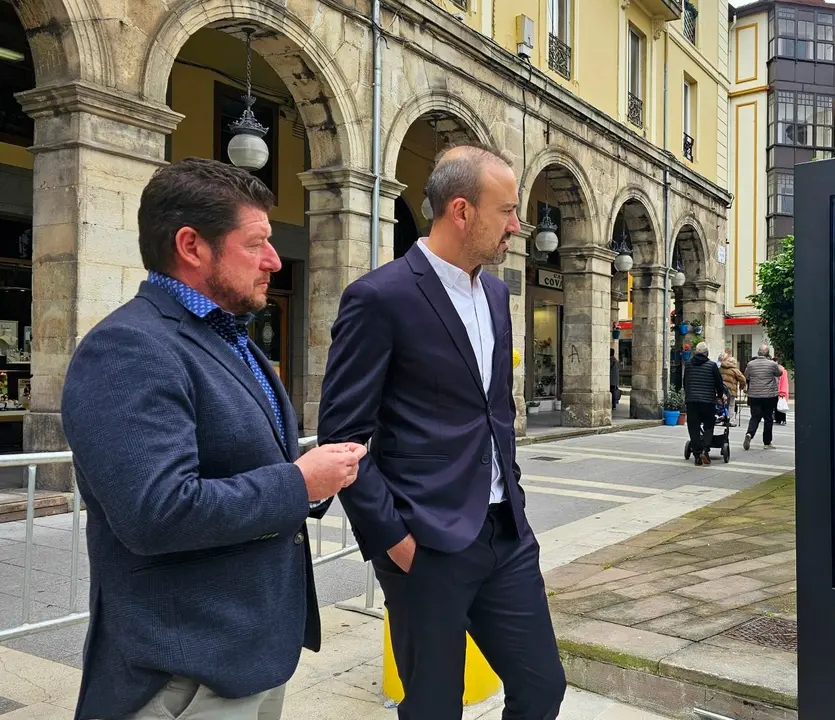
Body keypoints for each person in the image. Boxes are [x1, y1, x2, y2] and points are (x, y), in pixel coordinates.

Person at [60, 157, 366, 720]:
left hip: (247, 653)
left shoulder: (232, 339)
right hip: (180, 674)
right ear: (192, 246)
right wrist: (299, 481)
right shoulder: (130, 348)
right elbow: (158, 511)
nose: (275, 260)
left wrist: (313, 478)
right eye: (257, 243)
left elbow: (236, 463)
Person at [317, 143, 566, 720]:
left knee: (542, 688)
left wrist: (514, 499)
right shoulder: (380, 298)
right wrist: (393, 540)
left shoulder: (500, 296)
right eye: (506, 211)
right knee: (432, 708)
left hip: (506, 537)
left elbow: (493, 411)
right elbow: (341, 435)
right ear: (461, 211)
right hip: (424, 545)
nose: (517, 226)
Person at [683, 342, 729, 465]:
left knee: (693, 428)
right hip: (707, 402)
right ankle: (705, 450)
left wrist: (688, 396)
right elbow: (719, 385)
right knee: (708, 426)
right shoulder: (712, 366)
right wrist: (720, 396)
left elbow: (685, 383)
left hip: (692, 401)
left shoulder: (688, 365)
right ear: (706, 353)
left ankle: (697, 455)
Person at [743, 344, 784, 450]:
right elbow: (779, 373)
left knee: (755, 417)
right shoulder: (772, 364)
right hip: (769, 396)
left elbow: (746, 376)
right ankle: (767, 442)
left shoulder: (750, 364)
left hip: (754, 395)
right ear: (767, 353)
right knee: (768, 418)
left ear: (758, 353)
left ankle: (749, 434)